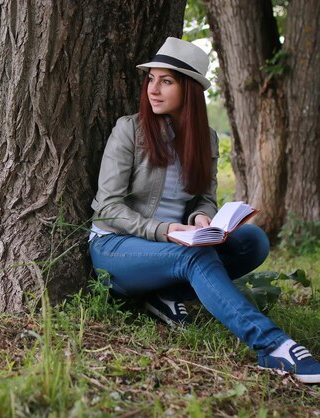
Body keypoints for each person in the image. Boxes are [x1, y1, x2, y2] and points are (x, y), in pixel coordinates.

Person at [88, 37, 320, 384]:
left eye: (166, 81)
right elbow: (107, 209)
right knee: (195, 259)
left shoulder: (206, 139)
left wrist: (200, 218)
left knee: (252, 241)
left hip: (176, 245)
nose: (153, 89)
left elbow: (203, 197)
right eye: (151, 78)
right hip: (116, 246)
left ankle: (167, 296)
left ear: (191, 89)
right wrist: (166, 231)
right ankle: (273, 347)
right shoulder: (130, 130)